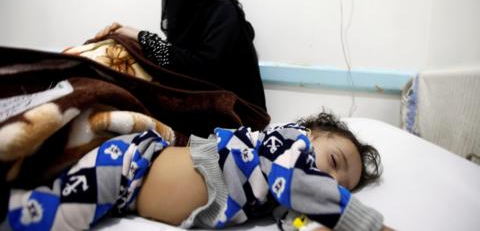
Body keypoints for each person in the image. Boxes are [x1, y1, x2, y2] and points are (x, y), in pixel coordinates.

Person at [1, 111, 393, 230]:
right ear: (308, 134)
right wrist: (366, 225)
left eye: (344, 186)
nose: (332, 182)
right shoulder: (285, 147)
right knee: (50, 218)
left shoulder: (280, 194)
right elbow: (298, 181)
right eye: (335, 163)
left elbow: (297, 219)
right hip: (124, 167)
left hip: (130, 192)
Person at [95, 0, 267, 111]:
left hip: (237, 115)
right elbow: (175, 62)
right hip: (200, 106)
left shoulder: (223, 10)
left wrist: (142, 36)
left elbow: (201, 69)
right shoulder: (183, 16)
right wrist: (126, 37)